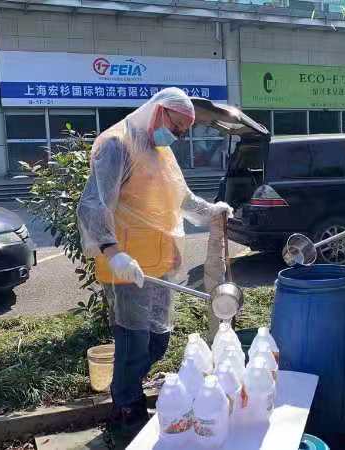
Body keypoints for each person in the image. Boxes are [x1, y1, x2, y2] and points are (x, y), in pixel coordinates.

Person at [76, 88, 232, 436]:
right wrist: (112, 252)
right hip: (127, 263)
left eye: (182, 133)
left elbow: (181, 197)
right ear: (159, 112)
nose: (177, 137)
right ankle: (125, 406)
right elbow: (92, 205)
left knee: (159, 339)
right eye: (176, 128)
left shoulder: (160, 151)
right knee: (134, 339)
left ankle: (129, 390)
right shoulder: (116, 145)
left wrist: (210, 211)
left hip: (160, 263)